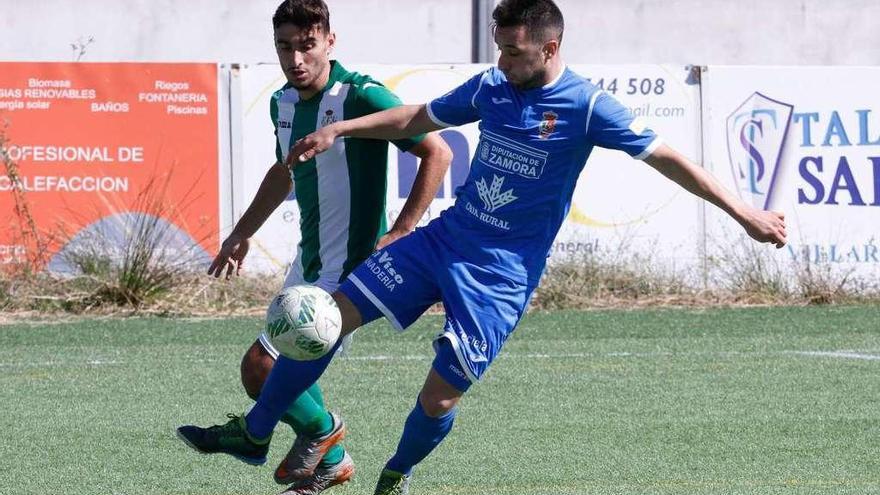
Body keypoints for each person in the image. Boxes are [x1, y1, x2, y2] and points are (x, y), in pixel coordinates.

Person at [182, 1, 788, 494]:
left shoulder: (587, 107)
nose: (502, 59)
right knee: (328, 318)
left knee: (438, 397)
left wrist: (745, 214)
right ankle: (257, 434)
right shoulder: (494, 85)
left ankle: (396, 474)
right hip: (444, 241)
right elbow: (419, 118)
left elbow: (668, 159)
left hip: (501, 277)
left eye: (514, 51)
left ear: (550, 49)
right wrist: (341, 128)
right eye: (499, 48)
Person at [175, 1, 452, 494]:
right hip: (311, 260)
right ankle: (333, 458)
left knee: (264, 365)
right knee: (261, 374)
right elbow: (284, 171)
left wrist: (405, 229)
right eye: (285, 47)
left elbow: (438, 149)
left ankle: (286, 437)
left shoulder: (360, 95)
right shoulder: (283, 102)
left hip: (349, 272)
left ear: (329, 41)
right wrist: (243, 231)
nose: (296, 58)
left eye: (307, 45)